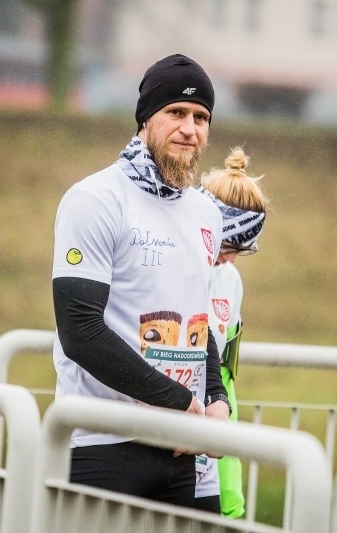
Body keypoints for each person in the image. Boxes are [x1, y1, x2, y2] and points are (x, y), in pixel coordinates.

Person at [51, 53, 231, 510]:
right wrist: (176, 401)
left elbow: (200, 320)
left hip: (179, 447)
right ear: (145, 119)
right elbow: (80, 332)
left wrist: (215, 399)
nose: (190, 128)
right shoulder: (95, 199)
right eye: (176, 112)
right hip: (102, 442)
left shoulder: (206, 211)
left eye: (201, 117)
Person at [193, 147, 269, 517]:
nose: (232, 258)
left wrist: (229, 481)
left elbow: (224, 373)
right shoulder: (181, 262)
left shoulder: (231, 280)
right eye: (228, 245)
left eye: (242, 249)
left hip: (214, 431)